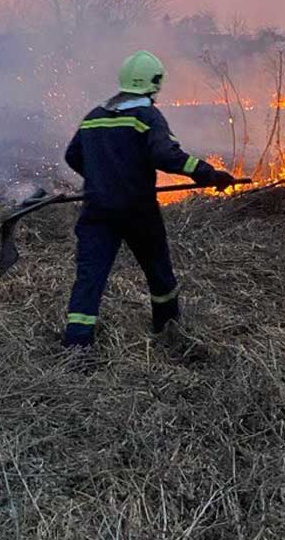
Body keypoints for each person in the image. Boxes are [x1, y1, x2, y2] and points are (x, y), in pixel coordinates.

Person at [61, 50, 233, 351]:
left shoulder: (94, 117)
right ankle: (168, 331)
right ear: (155, 83)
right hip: (137, 210)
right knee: (158, 271)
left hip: (97, 210)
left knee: (89, 278)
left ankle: (76, 345)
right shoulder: (146, 115)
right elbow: (166, 155)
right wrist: (209, 174)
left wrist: (101, 178)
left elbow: (72, 156)